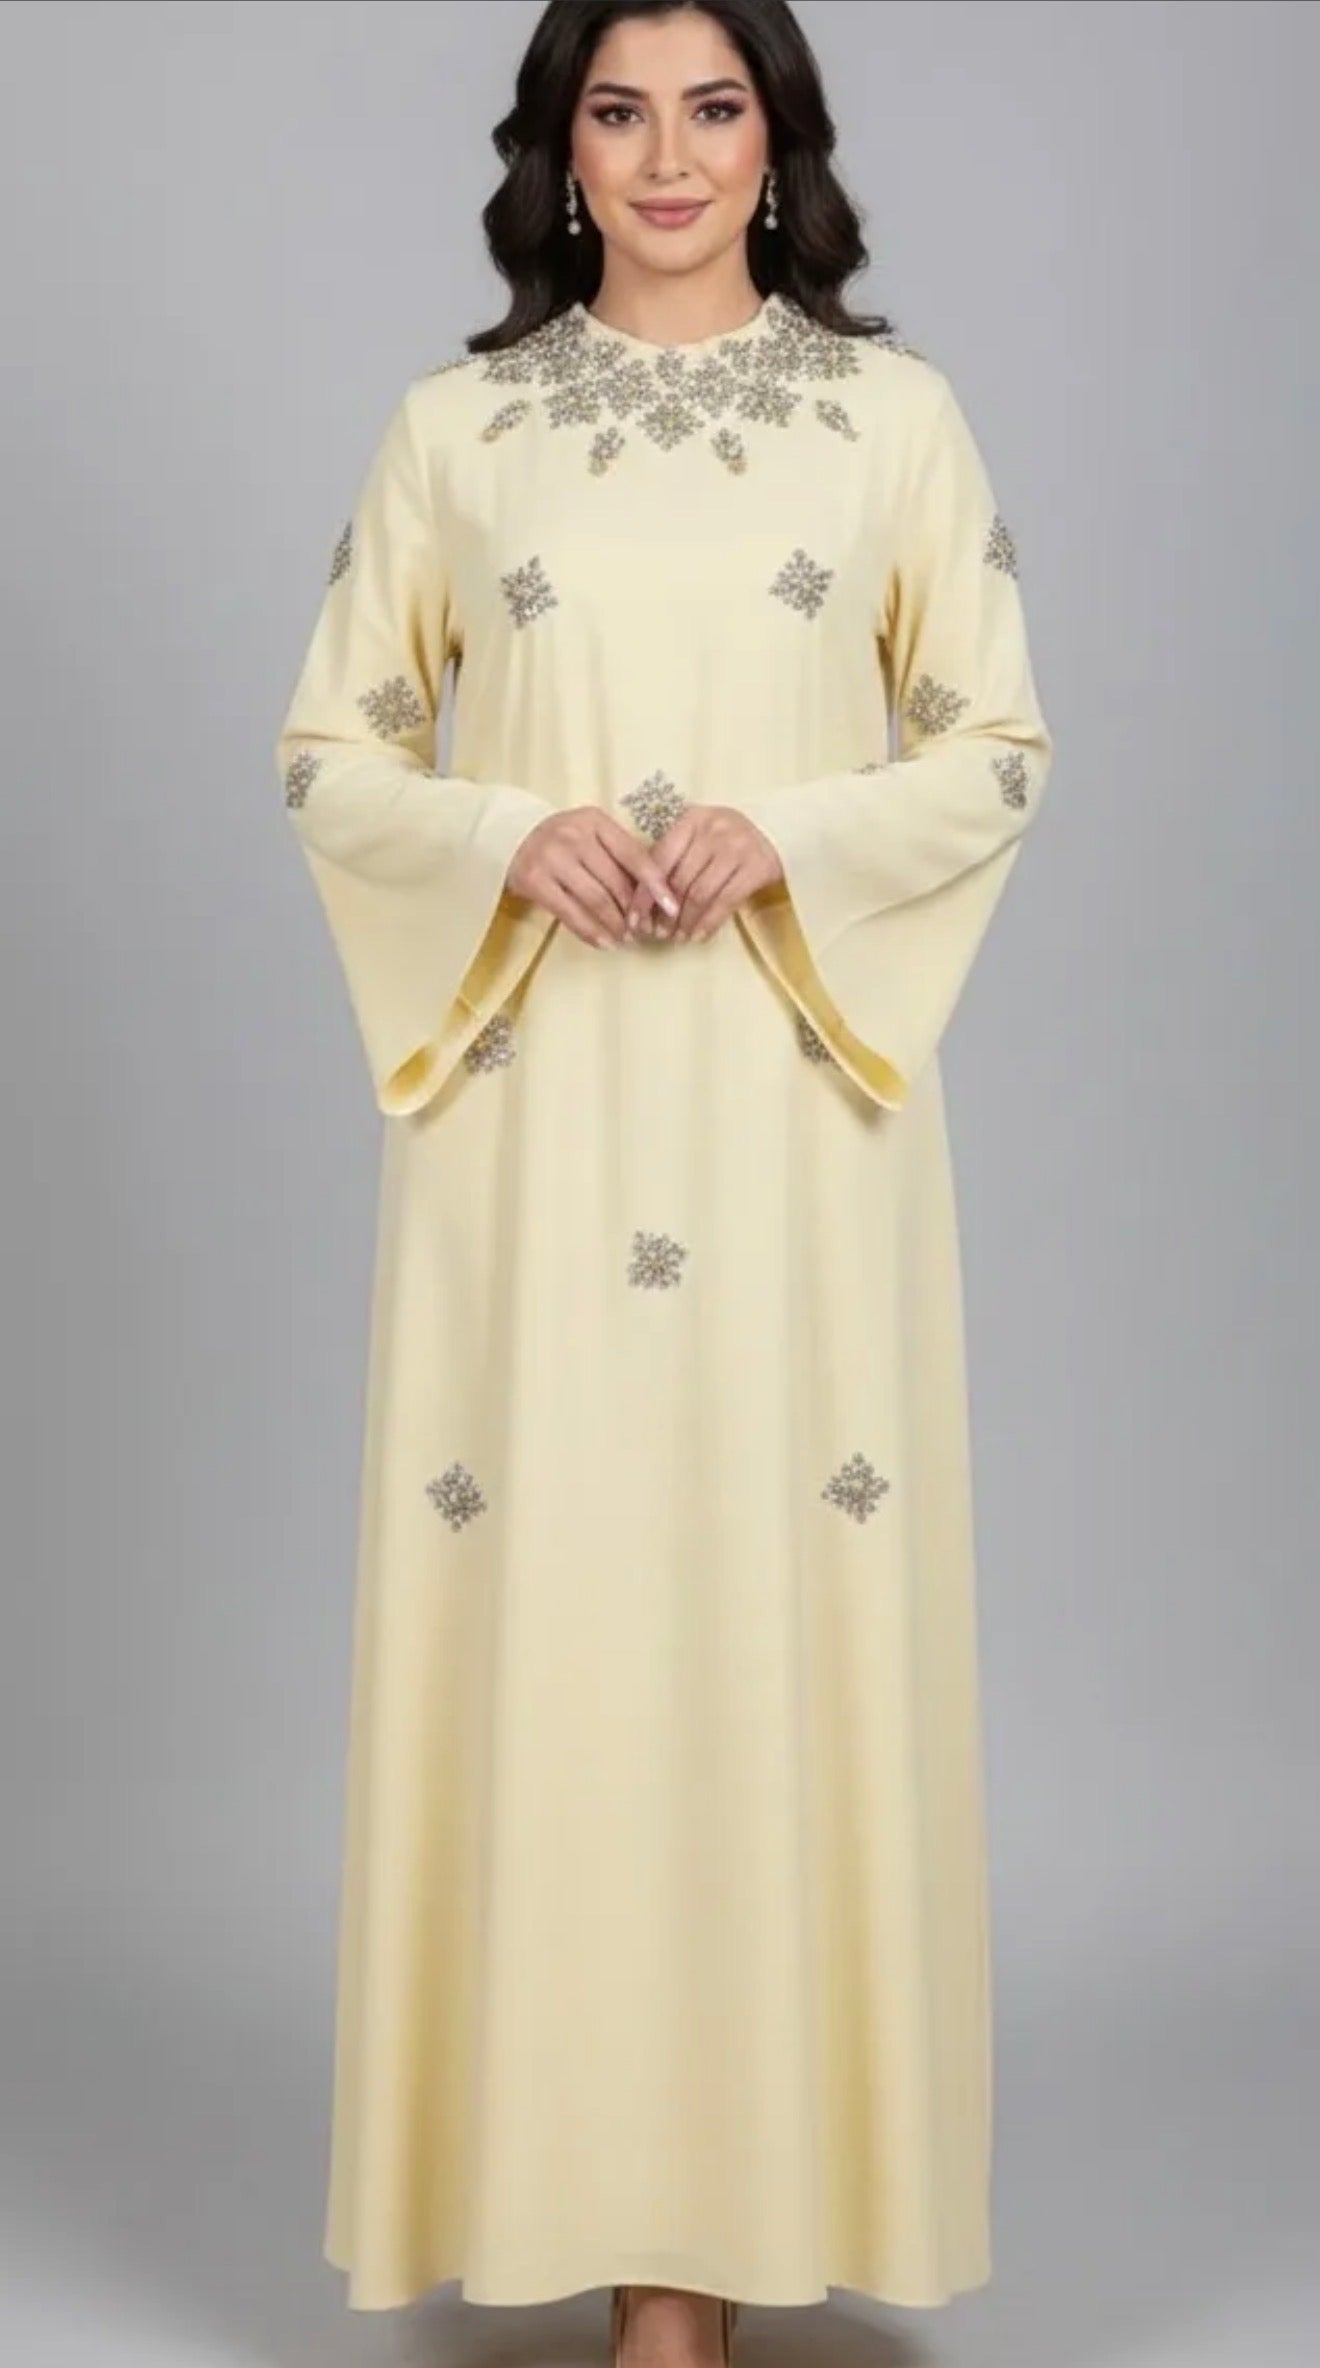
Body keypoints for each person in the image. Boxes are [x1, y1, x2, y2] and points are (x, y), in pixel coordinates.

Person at [274, 1, 1054, 2362]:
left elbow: (998, 748)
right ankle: (588, 2222)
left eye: (715, 107)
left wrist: (787, 832)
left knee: (759, 1619)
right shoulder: (461, 431)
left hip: (792, 1108)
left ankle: (721, 2244)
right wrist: (513, 834)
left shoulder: (893, 423)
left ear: (778, 139)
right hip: (537, 1119)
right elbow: (329, 755)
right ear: (562, 149)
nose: (671, 155)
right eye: (619, 111)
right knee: (570, 1632)